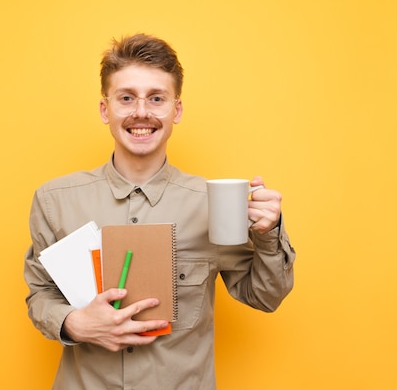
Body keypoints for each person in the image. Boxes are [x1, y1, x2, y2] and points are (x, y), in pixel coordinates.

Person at [24, 33, 296, 389]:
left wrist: (268, 234)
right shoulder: (54, 200)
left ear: (176, 110)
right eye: (126, 98)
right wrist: (74, 323)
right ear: (105, 109)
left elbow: (264, 297)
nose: (141, 112)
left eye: (156, 98)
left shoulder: (212, 204)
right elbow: (40, 294)